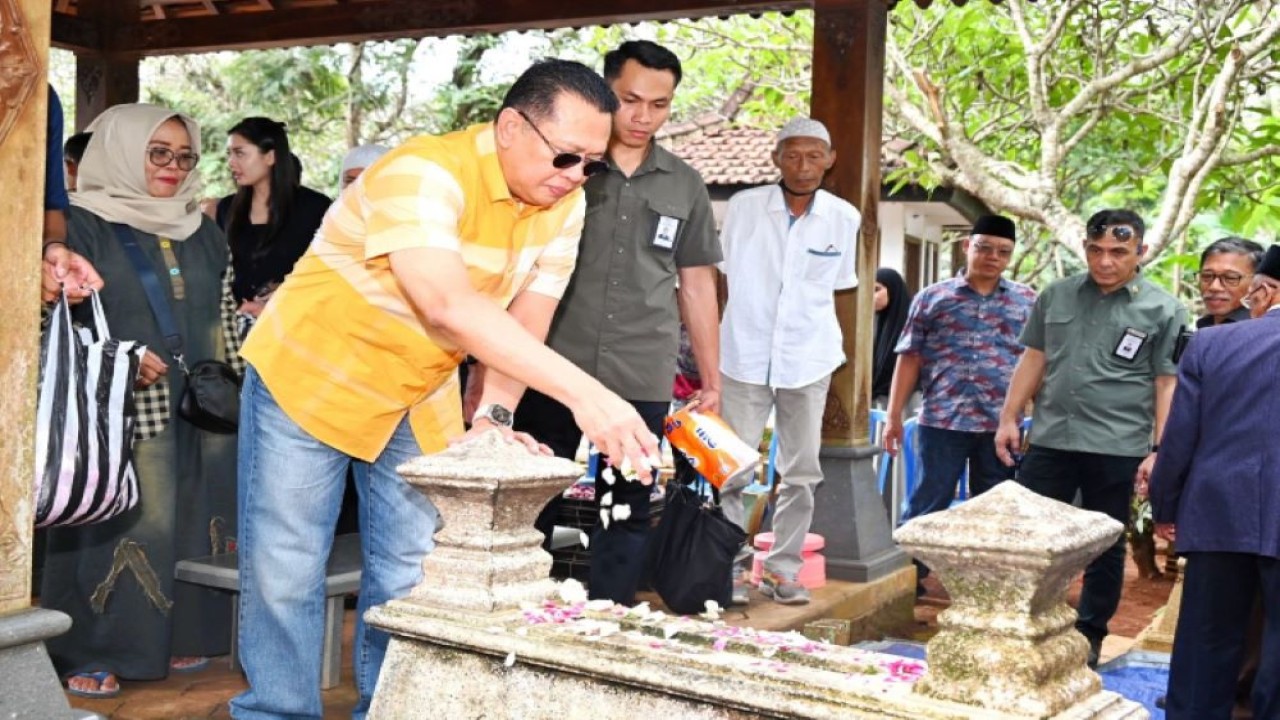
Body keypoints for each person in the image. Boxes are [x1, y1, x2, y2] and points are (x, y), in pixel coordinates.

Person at [231, 60, 659, 719]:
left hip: (416, 388)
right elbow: (447, 305)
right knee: (285, 568)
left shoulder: (564, 203)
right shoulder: (422, 172)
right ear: (512, 128)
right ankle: (277, 713)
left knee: (411, 568)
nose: (576, 177)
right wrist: (590, 397)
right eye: (567, 157)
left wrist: (492, 414)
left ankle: (393, 705)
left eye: (592, 165)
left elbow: (527, 320)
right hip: (310, 373)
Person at [507, 41, 721, 606]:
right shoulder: (566, 166)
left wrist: (711, 378)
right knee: (533, 499)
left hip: (641, 368)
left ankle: (609, 620)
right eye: (630, 100)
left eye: (660, 104)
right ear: (606, 93)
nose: (643, 116)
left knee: (626, 507)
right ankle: (527, 612)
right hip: (551, 359)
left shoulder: (684, 184)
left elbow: (697, 285)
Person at [41, 103, 241, 699]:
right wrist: (121, 358)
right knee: (116, 516)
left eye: (184, 156)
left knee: (194, 511)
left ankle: (180, 633)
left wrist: (238, 384)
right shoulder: (76, 228)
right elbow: (46, 317)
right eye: (158, 153)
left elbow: (225, 317)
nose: (173, 168)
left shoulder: (201, 228)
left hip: (200, 411)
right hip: (112, 412)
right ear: (122, 150)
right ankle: (94, 647)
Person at [994, 208, 1186, 668]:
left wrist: (1160, 450)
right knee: (1032, 538)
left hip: (1116, 446)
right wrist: (1008, 418)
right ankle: (1027, 625)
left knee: (1103, 544)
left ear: (1140, 251)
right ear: (1085, 249)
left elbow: (1166, 383)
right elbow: (1034, 359)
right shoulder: (1056, 296)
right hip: (1051, 440)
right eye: (1096, 250)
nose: (1105, 261)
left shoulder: (1163, 308)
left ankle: (1089, 636)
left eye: (1118, 252)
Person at [717, 117, 859, 606]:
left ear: (830, 159)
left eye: (814, 155)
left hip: (808, 356)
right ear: (776, 158)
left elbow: (840, 288)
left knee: (802, 471)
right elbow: (719, 279)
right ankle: (730, 567)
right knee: (732, 468)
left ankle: (782, 569)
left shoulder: (844, 218)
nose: (804, 166)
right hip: (743, 353)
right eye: (793, 155)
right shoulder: (744, 207)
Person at [1147, 244, 1280, 719]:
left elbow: (1179, 438)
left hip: (1221, 510)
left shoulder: (1212, 344)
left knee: (1207, 642)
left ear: (1262, 291)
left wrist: (1165, 508)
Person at [884, 215, 1036, 592]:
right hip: (942, 421)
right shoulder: (933, 298)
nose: (992, 257)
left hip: (999, 427)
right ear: (968, 246)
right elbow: (910, 357)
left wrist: (1034, 414)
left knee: (995, 509)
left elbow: (1038, 361)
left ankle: (984, 586)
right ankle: (909, 579)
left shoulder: (1027, 301)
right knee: (927, 502)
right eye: (984, 247)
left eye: (1003, 251)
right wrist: (893, 417)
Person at [216, 117, 330, 322]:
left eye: (240, 153)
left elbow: (327, 273)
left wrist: (282, 294)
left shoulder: (314, 207)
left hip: (295, 325)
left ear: (270, 156)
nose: (231, 162)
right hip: (235, 329)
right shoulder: (227, 208)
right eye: (229, 154)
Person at [1194, 236, 1263, 328]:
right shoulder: (1204, 325)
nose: (1214, 287)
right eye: (1207, 276)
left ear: (1258, 282)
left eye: (1230, 278)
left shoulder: (1264, 333)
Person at [871, 267, 911, 407]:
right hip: (878, 400)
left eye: (876, 289)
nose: (871, 296)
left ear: (892, 290)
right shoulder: (873, 321)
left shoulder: (910, 323)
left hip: (905, 399)